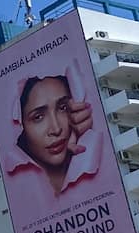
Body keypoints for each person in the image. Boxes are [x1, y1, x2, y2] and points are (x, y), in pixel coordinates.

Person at [6, 71, 99, 200]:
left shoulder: (94, 158)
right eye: (38, 117)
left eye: (63, 108)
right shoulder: (19, 190)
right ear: (21, 126)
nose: (56, 129)